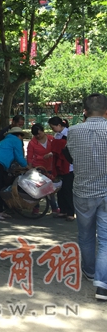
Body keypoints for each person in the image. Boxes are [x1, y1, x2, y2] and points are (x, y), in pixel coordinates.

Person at [67, 93, 107, 302]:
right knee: (106, 240)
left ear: (85, 111)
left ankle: (90, 271)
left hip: (82, 192)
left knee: (86, 235)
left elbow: (69, 156)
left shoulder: (73, 131)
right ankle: (102, 284)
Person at [0, 126, 29, 220]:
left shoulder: (6, 140)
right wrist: (26, 165)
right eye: (22, 136)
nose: (22, 138)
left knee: (1, 187)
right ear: (19, 135)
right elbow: (19, 156)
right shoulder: (16, 140)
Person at [26, 123, 59, 214]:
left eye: (39, 133)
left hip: (50, 166)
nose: (38, 136)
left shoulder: (51, 139)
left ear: (43, 131)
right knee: (37, 188)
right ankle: (36, 207)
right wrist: (30, 167)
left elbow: (57, 150)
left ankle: (54, 207)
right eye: (35, 135)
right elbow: (29, 156)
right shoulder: (32, 143)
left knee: (50, 188)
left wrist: (51, 154)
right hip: (38, 168)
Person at [48, 116, 75, 221]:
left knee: (67, 189)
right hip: (59, 165)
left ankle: (70, 212)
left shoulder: (69, 133)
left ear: (59, 125)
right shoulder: (57, 135)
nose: (53, 129)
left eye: (53, 127)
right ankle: (63, 210)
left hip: (68, 165)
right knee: (60, 189)